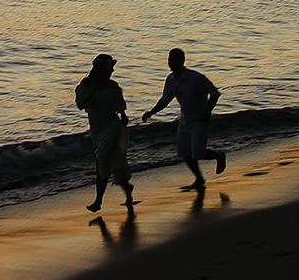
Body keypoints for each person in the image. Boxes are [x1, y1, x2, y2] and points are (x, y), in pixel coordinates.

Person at [142, 48, 225, 190]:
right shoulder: (171, 79)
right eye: (169, 60)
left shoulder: (196, 78)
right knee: (185, 152)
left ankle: (219, 155)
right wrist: (151, 112)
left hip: (200, 118)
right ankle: (199, 178)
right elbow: (165, 99)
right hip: (185, 118)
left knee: (198, 153)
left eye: (173, 60)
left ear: (182, 61)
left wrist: (206, 112)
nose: (170, 63)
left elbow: (215, 94)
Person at [75, 54, 134, 212]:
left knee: (102, 160)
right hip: (97, 129)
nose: (112, 70)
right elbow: (81, 105)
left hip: (113, 126)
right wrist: (93, 91)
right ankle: (127, 188)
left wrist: (123, 116)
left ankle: (98, 201)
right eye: (109, 68)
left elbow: (120, 106)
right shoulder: (86, 85)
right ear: (100, 69)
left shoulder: (112, 85)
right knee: (112, 161)